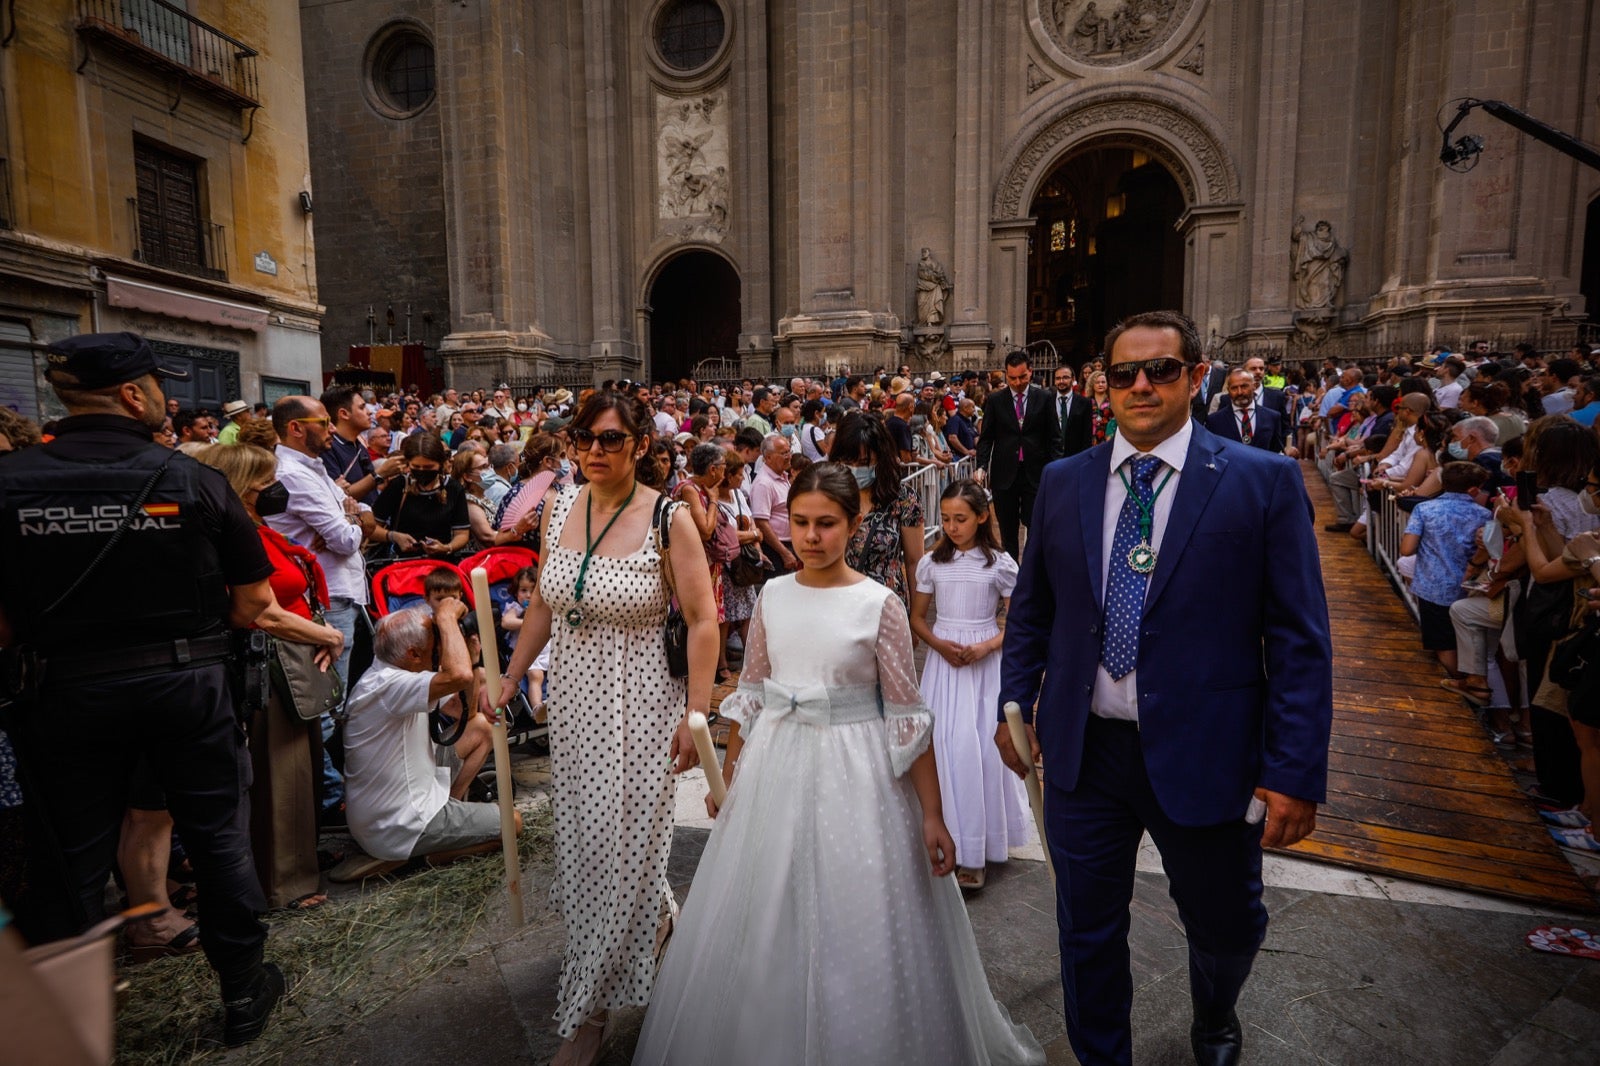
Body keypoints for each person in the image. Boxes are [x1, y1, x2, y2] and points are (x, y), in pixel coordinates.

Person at [996, 310, 1333, 1066]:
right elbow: (1034, 611)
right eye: (1124, 374)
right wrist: (1012, 705)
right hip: (1087, 750)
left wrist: (1293, 770)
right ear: (1102, 384)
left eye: (1161, 370)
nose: (1141, 385)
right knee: (1085, 926)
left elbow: (1300, 642)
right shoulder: (1063, 482)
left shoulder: (1262, 481)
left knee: (1227, 923)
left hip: (1209, 751)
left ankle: (1215, 1015)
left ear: (1196, 373)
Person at [632, 463, 1044, 1066]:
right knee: (768, 900)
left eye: (826, 523)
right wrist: (730, 773)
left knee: (858, 904)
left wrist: (932, 813)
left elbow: (907, 714)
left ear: (853, 526)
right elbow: (750, 694)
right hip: (777, 760)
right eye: (799, 522)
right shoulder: (774, 593)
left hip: (857, 769)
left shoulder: (879, 603)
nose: (810, 536)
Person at [0, 332, 285, 1045]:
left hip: (62, 692)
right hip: (185, 684)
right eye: (157, 383)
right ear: (132, 394)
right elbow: (253, 603)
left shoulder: (12, 480)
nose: (165, 395)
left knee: (68, 860)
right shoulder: (192, 480)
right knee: (217, 834)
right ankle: (244, 993)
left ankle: (64, 1028)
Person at [493, 391, 719, 1066]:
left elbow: (705, 619)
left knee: (623, 846)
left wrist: (696, 714)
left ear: (642, 446)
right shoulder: (559, 506)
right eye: (582, 439)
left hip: (646, 700)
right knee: (591, 843)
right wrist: (509, 676)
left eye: (611, 439)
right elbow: (542, 604)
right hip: (576, 700)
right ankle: (655, 922)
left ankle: (587, 1012)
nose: (594, 451)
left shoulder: (669, 517)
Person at [198, 443, 343, 909]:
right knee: (281, 775)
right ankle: (284, 882)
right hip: (270, 661)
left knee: (300, 770)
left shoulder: (258, 528)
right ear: (242, 489)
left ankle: (299, 866)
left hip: (293, 659)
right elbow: (261, 611)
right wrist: (327, 636)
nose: (274, 489)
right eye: (264, 483)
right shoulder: (231, 534)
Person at [908, 479, 1028, 891]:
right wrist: (939, 645)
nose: (952, 527)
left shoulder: (999, 564)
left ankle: (976, 848)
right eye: (945, 519)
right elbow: (918, 618)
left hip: (982, 666)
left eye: (960, 519)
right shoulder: (931, 563)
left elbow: (1018, 621)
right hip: (944, 666)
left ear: (981, 516)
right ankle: (942, 836)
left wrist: (987, 645)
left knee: (978, 746)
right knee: (943, 745)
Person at [341, 601, 517, 876]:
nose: (439, 651)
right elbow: (457, 675)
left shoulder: (389, 667)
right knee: (512, 825)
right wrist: (446, 618)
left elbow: (464, 713)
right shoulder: (391, 685)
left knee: (481, 728)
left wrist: (471, 661)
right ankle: (419, 858)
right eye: (435, 646)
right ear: (413, 654)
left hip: (392, 807)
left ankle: (451, 816)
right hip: (400, 824)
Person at [266, 394, 372, 825]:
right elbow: (348, 538)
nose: (331, 429)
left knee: (347, 702)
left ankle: (344, 791)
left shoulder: (314, 468)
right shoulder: (292, 474)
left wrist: (351, 515)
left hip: (347, 594)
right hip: (329, 601)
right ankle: (330, 801)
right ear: (296, 427)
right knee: (327, 705)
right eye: (324, 421)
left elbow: (360, 515)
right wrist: (351, 520)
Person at [831, 412, 926, 608]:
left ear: (880, 459)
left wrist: (917, 617)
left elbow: (914, 560)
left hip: (886, 607)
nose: (855, 469)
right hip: (837, 605)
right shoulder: (828, 495)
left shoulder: (902, 498)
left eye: (864, 463)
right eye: (848, 463)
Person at [976, 351, 1063, 559]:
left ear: (1030, 372)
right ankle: (1012, 577)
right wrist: (981, 466)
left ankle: (1032, 575)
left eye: (1022, 377)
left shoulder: (1044, 398)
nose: (1017, 382)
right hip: (1004, 475)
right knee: (1008, 531)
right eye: (1012, 378)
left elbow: (1055, 437)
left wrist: (1057, 469)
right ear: (1006, 375)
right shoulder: (995, 400)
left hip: (1036, 473)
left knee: (1035, 526)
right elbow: (986, 438)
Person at [371, 432, 471, 558]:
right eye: (416, 466)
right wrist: (394, 536)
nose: (422, 471)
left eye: (429, 467)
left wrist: (447, 547)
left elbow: (462, 533)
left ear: (440, 464)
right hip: (403, 565)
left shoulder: (454, 488)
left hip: (441, 565)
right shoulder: (399, 485)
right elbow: (372, 527)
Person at [1205, 368, 1287, 452]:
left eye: (1244, 386)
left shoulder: (1272, 417)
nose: (1239, 392)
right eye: (1234, 388)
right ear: (1228, 390)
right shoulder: (1214, 421)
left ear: (1254, 386)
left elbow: (1276, 451)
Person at [750, 433, 798, 572]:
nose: (789, 456)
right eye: (783, 453)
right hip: (775, 550)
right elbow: (761, 522)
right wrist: (784, 553)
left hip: (788, 545)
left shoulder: (782, 477)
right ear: (768, 457)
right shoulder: (764, 483)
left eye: (789, 451)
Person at [1052, 364, 1095, 458]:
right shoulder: (1047, 401)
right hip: (1051, 459)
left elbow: (1087, 436)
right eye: (1058, 378)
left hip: (1075, 457)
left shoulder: (1084, 403)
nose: (1061, 381)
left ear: (1073, 379)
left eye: (1065, 377)